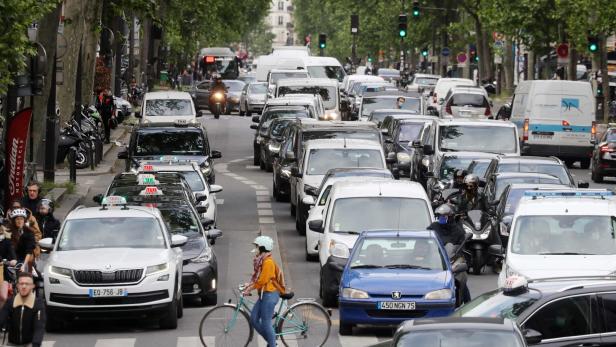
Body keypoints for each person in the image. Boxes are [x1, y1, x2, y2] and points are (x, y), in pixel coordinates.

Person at [242, 236, 286, 347]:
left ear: (263, 248)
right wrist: (249, 284)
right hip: (264, 294)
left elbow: (262, 281)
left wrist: (249, 289)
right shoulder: (262, 261)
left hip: (270, 295)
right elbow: (258, 279)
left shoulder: (268, 263)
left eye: (257, 247)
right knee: (254, 319)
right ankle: (272, 341)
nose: (255, 249)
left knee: (266, 324)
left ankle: (272, 344)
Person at [0, 272, 45, 347]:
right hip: (12, 344)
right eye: (21, 283)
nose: (24, 286)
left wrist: (36, 344)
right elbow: (1, 319)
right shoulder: (10, 302)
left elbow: (39, 327)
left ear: (33, 286)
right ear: (17, 285)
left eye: (27, 284)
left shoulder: (38, 304)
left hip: (30, 344)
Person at [0, 225, 17, 308]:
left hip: (2, 270)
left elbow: (11, 251)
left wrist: (13, 259)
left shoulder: (7, 241)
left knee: (3, 297)